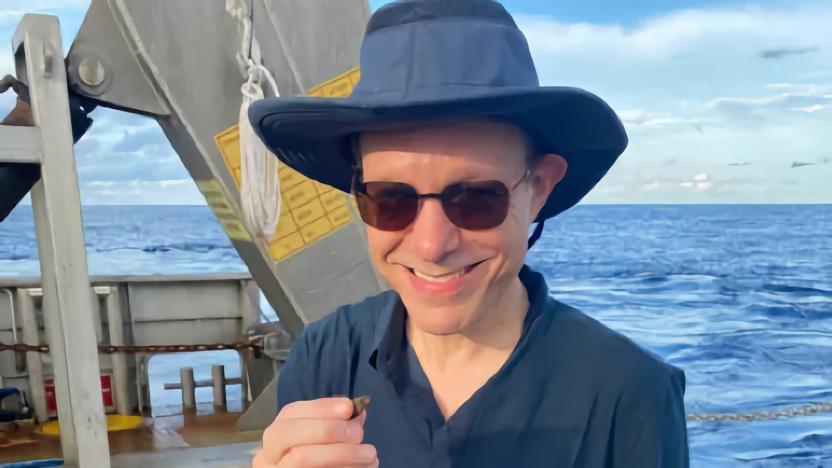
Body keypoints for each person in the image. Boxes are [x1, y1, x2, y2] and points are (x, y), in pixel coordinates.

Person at [249, 1, 689, 467]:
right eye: (390, 199)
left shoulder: (629, 392)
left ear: (539, 188)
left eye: (477, 199)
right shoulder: (325, 355)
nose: (431, 245)